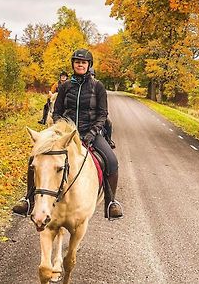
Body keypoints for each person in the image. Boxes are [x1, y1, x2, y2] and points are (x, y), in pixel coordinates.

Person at [12, 49, 123, 219]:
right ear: (73, 64)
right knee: (35, 156)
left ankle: (111, 202)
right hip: (66, 134)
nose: (80, 64)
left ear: (88, 65)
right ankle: (28, 200)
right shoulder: (65, 87)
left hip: (89, 133)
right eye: (77, 62)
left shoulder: (98, 87)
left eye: (83, 62)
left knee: (112, 161)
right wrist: (59, 129)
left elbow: (102, 114)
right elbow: (57, 112)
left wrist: (92, 133)